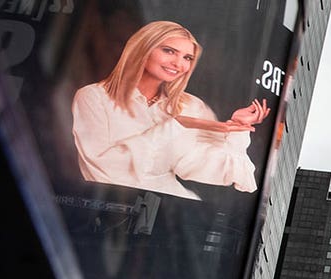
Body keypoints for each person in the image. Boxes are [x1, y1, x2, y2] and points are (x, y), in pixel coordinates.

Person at [72, 20, 270, 200]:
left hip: (175, 209)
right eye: (169, 51)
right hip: (108, 209)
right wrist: (173, 126)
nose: (179, 64)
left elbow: (212, 170)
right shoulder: (93, 97)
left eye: (187, 57)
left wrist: (237, 127)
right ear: (143, 49)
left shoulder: (192, 106)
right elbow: (104, 169)